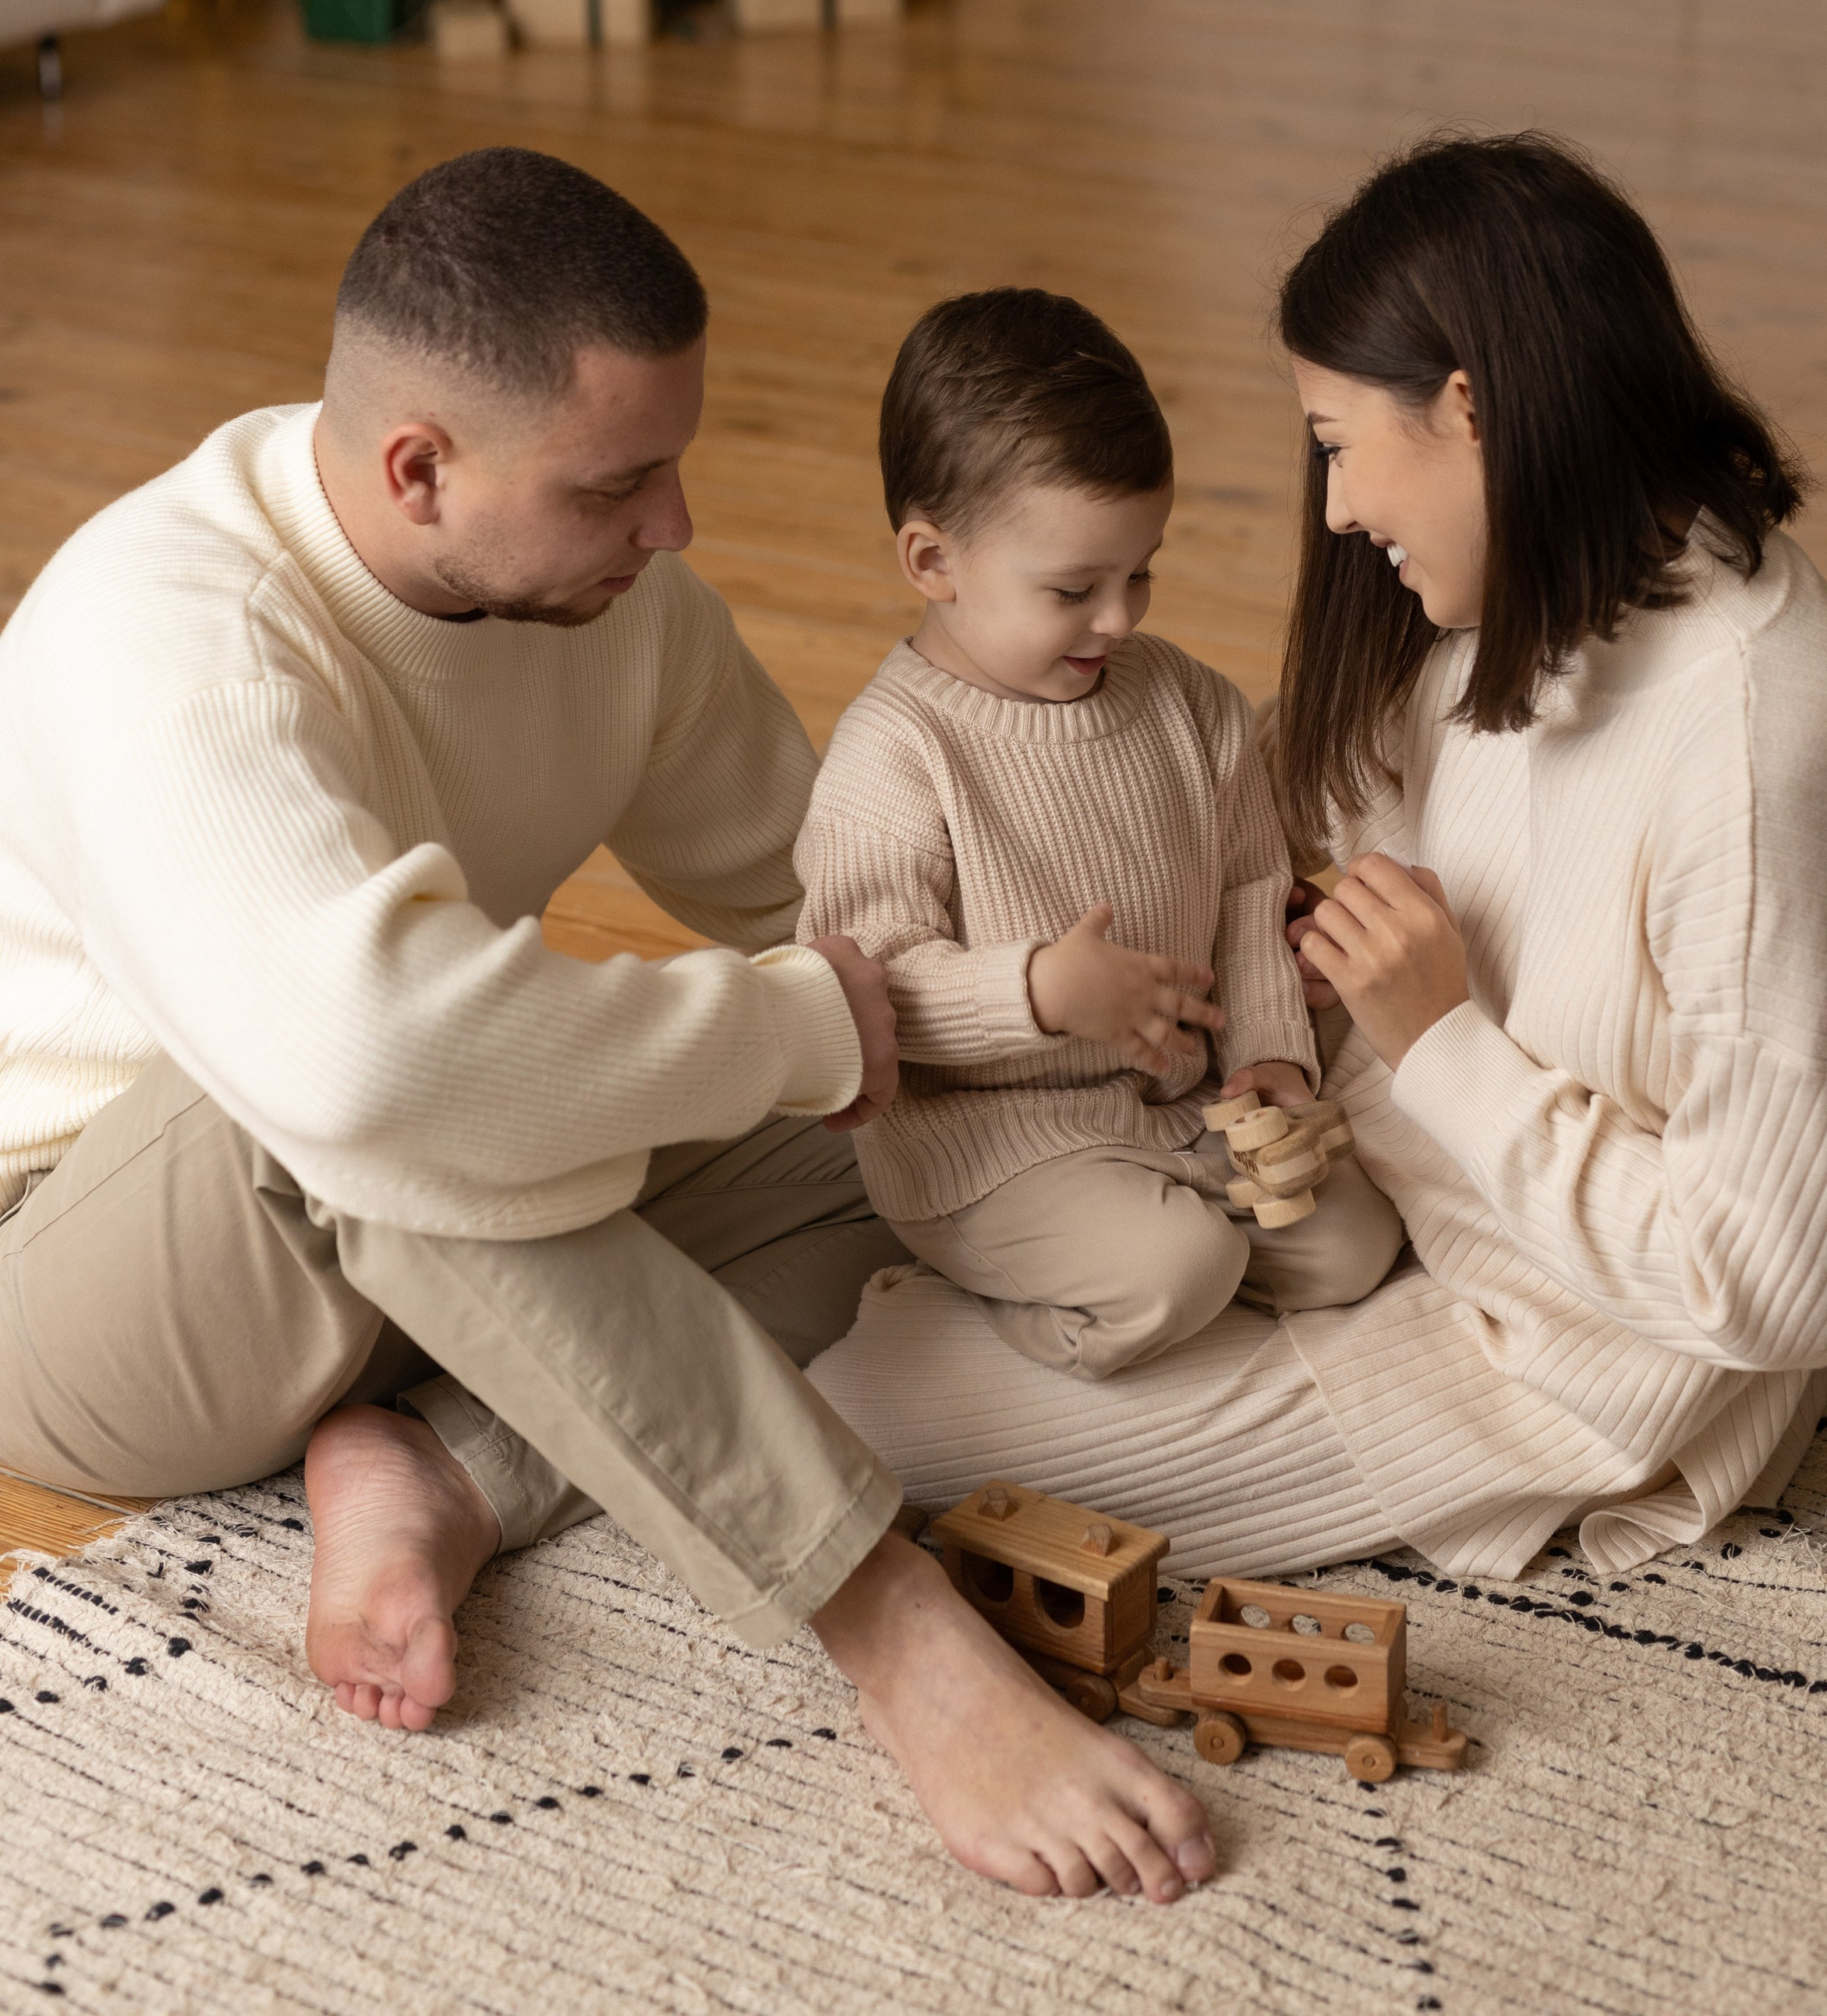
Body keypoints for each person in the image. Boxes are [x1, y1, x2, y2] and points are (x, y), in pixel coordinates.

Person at [0, 147, 1213, 1907]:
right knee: (382, 1086)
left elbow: (838, 947)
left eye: (675, 464)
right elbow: (371, 1061)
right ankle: (891, 1628)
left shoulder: (609, 602)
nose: (675, 526)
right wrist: (793, 1030)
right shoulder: (167, 632)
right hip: (76, 1287)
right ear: (419, 467)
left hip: (388, 1256)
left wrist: (1141, 1017)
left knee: (910, 1141)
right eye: (619, 483)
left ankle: (451, 1468)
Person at [811, 134, 1827, 1587]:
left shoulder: (1766, 768)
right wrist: (1281, 947)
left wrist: (1438, 1042)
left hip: (1541, 1349)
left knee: (840, 1427)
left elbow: (1774, 1289)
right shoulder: (1553, 596)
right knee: (865, 1260)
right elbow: (1324, 818)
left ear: (1469, 409)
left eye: (1338, 443)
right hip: (1357, 1179)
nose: (1338, 509)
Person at [795, 288, 1404, 1377]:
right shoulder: (894, 755)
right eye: (1075, 589)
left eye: (1141, 572)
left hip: (1173, 1110)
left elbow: (1249, 889)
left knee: (1353, 1245)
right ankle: (972, 1324)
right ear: (933, 563)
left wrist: (1270, 1055)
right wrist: (1036, 992)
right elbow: (869, 989)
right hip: (992, 1152)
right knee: (1178, 1271)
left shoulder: (1192, 704)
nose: (1120, 620)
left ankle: (1152, 1261)